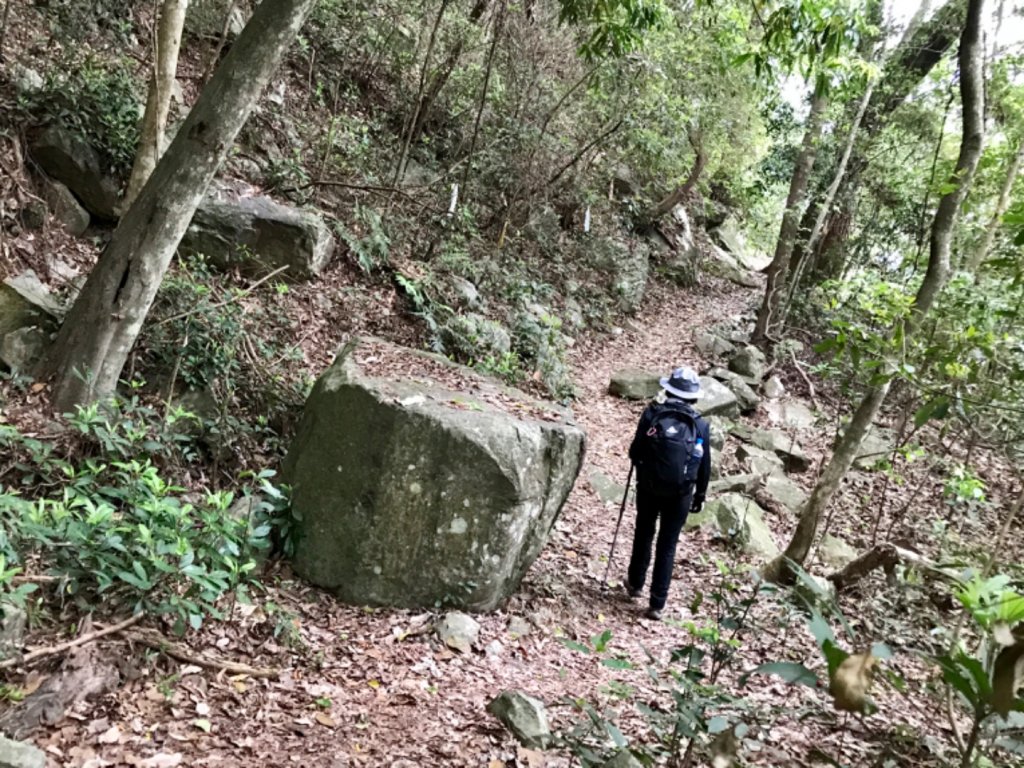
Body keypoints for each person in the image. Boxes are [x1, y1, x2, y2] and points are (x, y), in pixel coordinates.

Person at [625, 366, 711, 620]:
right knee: (667, 545)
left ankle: (635, 583)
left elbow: (635, 451)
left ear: (668, 389)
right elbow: (704, 467)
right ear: (693, 396)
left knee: (644, 533)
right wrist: (700, 496)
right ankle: (657, 603)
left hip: (649, 487)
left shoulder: (652, 414)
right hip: (681, 493)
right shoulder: (700, 425)